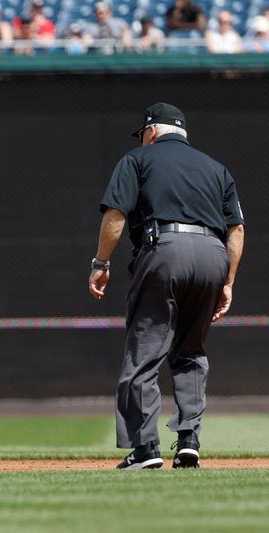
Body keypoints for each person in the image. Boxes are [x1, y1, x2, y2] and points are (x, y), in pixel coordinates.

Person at [89, 103, 245, 470]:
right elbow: (236, 229)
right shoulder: (216, 168)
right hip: (213, 254)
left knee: (144, 350)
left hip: (164, 251)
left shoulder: (137, 160)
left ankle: (145, 448)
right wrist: (228, 282)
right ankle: (189, 439)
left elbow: (115, 214)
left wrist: (100, 263)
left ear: (152, 131)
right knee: (191, 350)